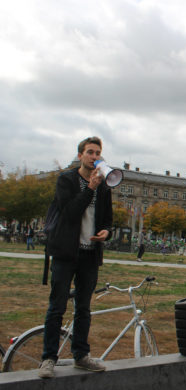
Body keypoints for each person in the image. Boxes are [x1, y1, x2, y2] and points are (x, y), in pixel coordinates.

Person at [39, 136, 113, 379]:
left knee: (84, 308)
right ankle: (49, 358)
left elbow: (107, 219)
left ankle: (81, 355)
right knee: (57, 307)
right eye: (90, 152)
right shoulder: (67, 180)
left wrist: (106, 232)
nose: (94, 157)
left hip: (89, 254)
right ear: (80, 155)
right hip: (65, 253)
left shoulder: (104, 185)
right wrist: (89, 187)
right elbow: (69, 213)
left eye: (97, 153)